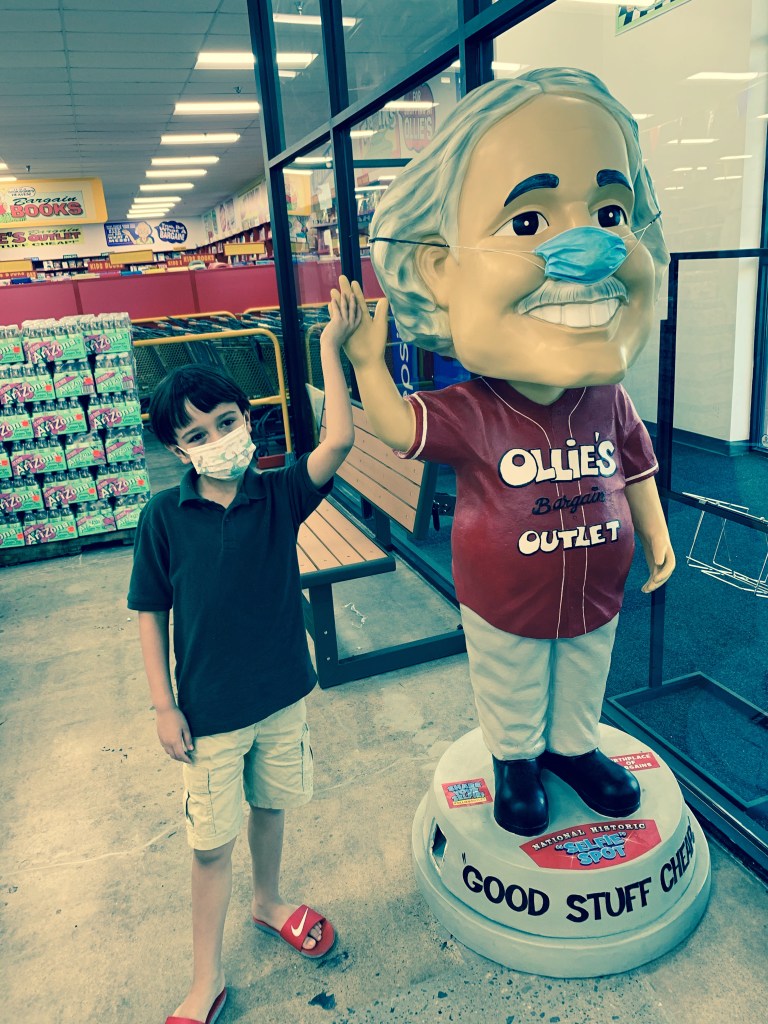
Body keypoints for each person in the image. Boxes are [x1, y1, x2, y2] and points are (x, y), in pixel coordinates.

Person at [340, 68, 675, 839]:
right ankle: (516, 759)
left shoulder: (608, 398)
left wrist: (655, 533)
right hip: (503, 592)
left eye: (611, 213)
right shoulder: (473, 409)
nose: (588, 250)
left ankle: (574, 749)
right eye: (528, 222)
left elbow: (635, 468)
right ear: (438, 268)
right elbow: (396, 427)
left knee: (586, 665)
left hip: (597, 582)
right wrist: (365, 363)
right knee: (512, 675)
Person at [127, 287, 360, 1024]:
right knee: (209, 845)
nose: (218, 438)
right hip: (210, 716)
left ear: (248, 420)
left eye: (226, 421)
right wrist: (163, 707)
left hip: (283, 697)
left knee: (272, 805)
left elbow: (339, 443)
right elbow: (150, 612)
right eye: (197, 433)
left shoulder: (278, 494)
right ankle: (206, 978)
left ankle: (268, 901)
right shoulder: (164, 517)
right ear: (178, 450)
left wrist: (329, 349)